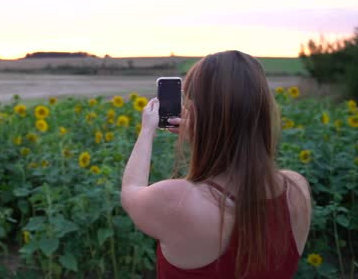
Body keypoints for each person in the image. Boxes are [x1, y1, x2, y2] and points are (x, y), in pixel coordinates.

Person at [121, 51, 312, 278]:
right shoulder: (297, 190)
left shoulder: (179, 201)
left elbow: (131, 192)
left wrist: (147, 130)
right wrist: (205, 135)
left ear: (203, 116)